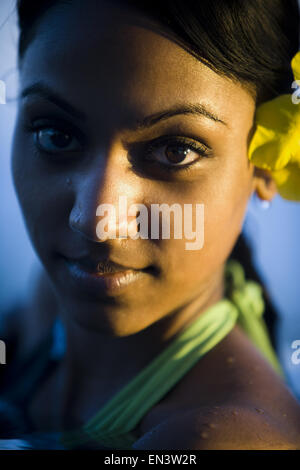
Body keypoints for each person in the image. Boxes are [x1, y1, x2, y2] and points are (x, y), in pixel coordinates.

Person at [1, 0, 300, 449]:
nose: (93, 222)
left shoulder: (221, 440)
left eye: (175, 151)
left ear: (268, 164)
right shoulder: (56, 299)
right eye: (57, 134)